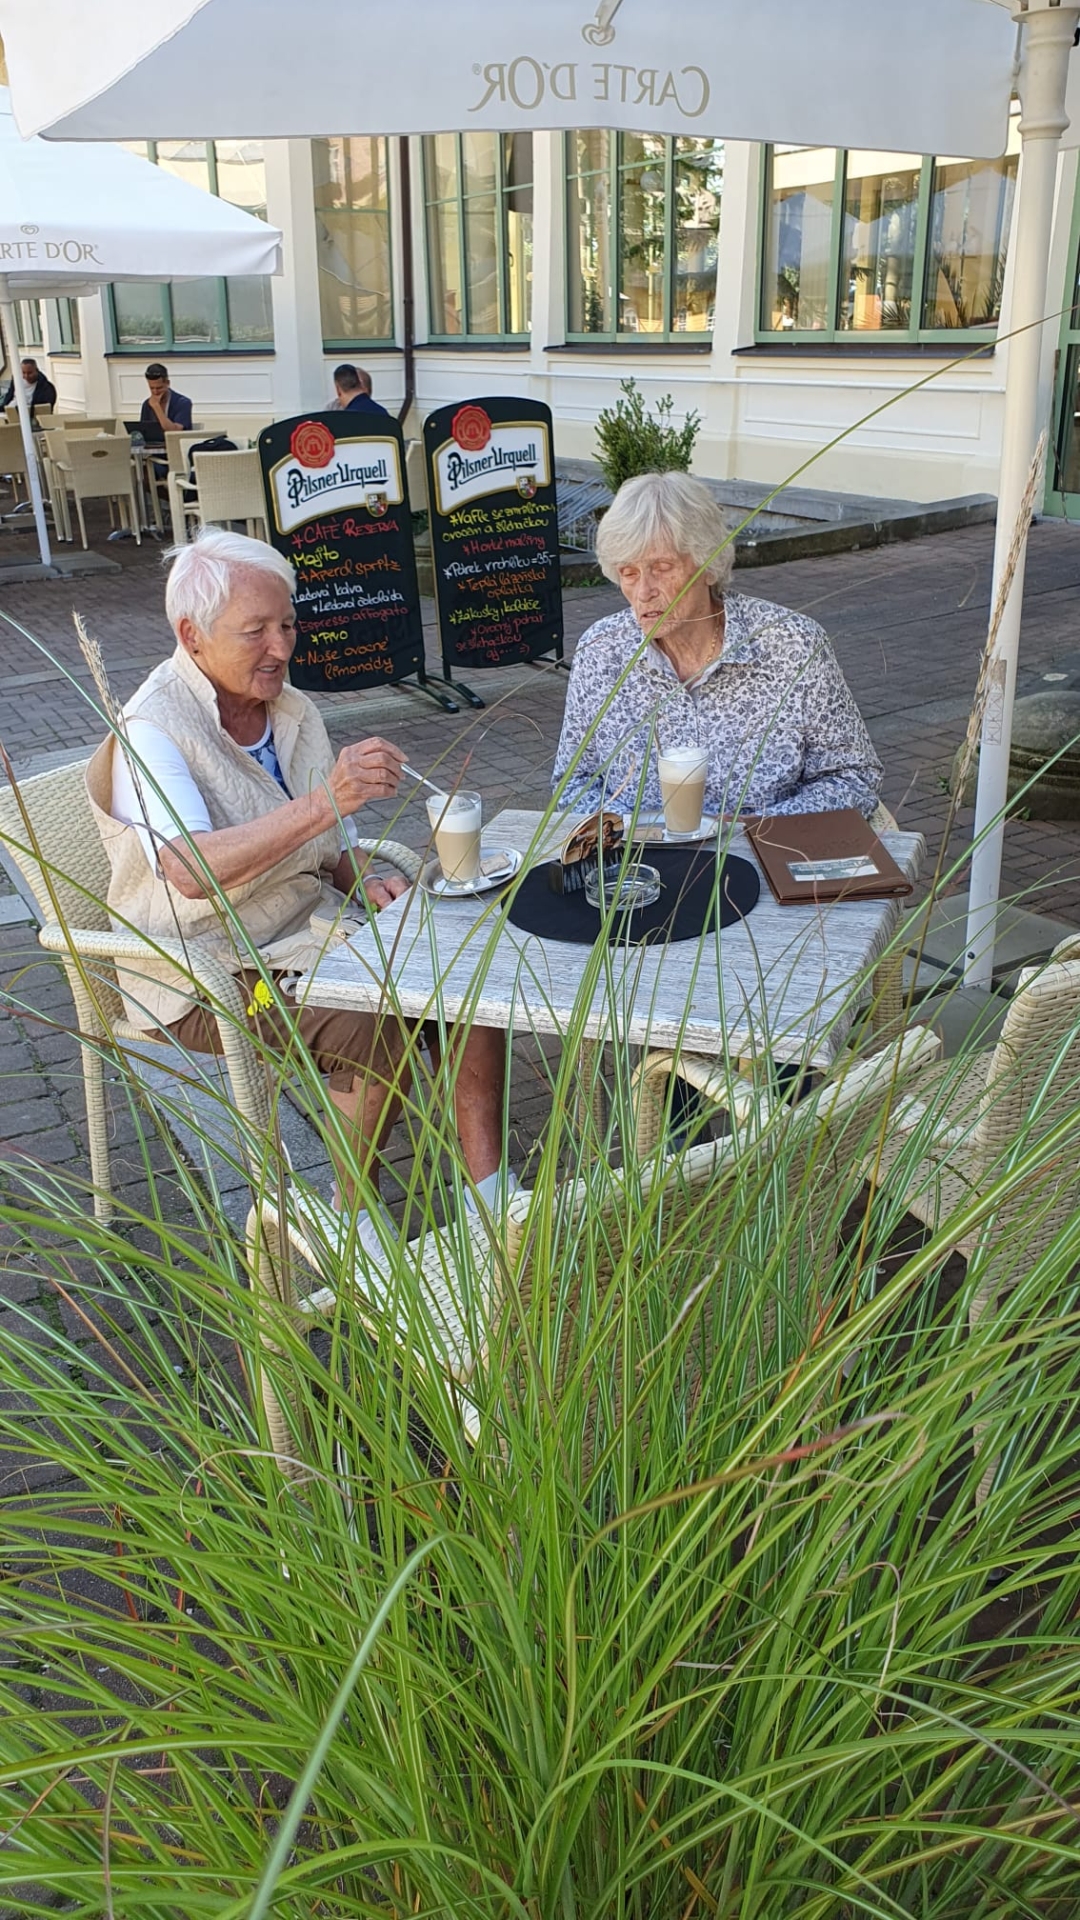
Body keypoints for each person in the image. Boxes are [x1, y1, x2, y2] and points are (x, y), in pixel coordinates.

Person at [85, 529, 512, 1254]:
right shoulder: (152, 728)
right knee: (377, 1025)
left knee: (469, 966)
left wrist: (363, 878)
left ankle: (492, 1199)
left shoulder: (292, 710)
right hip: (201, 968)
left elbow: (323, 844)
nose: (281, 647)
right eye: (255, 630)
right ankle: (352, 1218)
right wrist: (326, 802)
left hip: (308, 933)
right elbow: (189, 870)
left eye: (287, 624)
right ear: (191, 634)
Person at [552, 470, 882, 820]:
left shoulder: (793, 645)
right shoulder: (601, 650)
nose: (644, 592)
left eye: (662, 567)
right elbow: (573, 783)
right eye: (629, 573)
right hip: (638, 853)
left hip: (765, 850)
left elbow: (854, 779)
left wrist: (744, 831)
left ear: (708, 565)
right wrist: (643, 831)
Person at [139, 362, 194, 445]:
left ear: (167, 383)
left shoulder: (183, 403)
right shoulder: (147, 404)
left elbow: (174, 432)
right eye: (152, 388)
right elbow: (143, 432)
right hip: (153, 448)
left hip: (177, 447)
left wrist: (157, 407)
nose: (155, 392)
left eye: (159, 388)